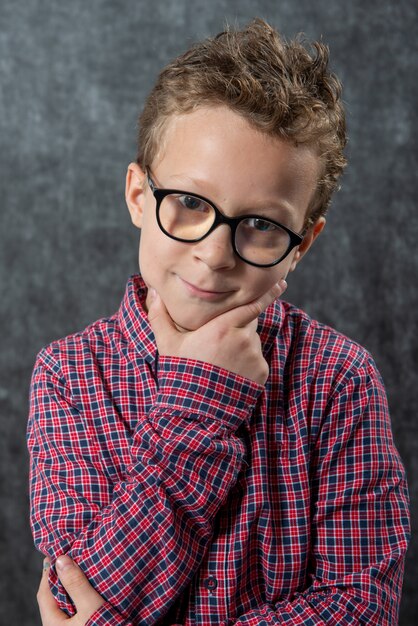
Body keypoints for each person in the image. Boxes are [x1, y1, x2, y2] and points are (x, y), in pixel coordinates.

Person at [28, 17, 410, 626]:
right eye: (188, 203)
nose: (214, 252)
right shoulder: (70, 375)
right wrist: (203, 400)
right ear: (137, 196)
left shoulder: (340, 380)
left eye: (261, 224)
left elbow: (360, 606)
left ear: (302, 244)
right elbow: (80, 596)